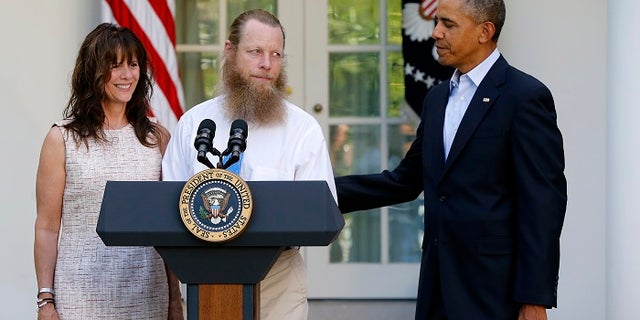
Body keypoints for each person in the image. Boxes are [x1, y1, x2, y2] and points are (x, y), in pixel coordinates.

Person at [335, 0, 567, 319]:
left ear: (485, 31)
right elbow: (405, 181)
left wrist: (533, 298)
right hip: (437, 285)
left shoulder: (524, 97)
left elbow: (542, 204)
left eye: (448, 24)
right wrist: (323, 194)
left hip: (496, 292)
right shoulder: (436, 99)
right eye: (436, 22)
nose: (436, 33)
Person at [161, 9, 337, 320]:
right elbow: (168, 206)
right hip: (206, 278)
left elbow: (321, 211)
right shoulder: (193, 124)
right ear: (230, 51)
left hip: (279, 279)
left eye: (276, 54)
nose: (266, 64)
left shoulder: (302, 129)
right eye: (255, 52)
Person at [33, 23, 183, 319]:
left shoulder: (158, 138)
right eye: (114, 66)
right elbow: (47, 227)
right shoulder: (61, 139)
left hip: (146, 293)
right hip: (79, 294)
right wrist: (45, 300)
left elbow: (169, 228)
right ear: (92, 71)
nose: (127, 75)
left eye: (133, 64)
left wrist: (174, 300)